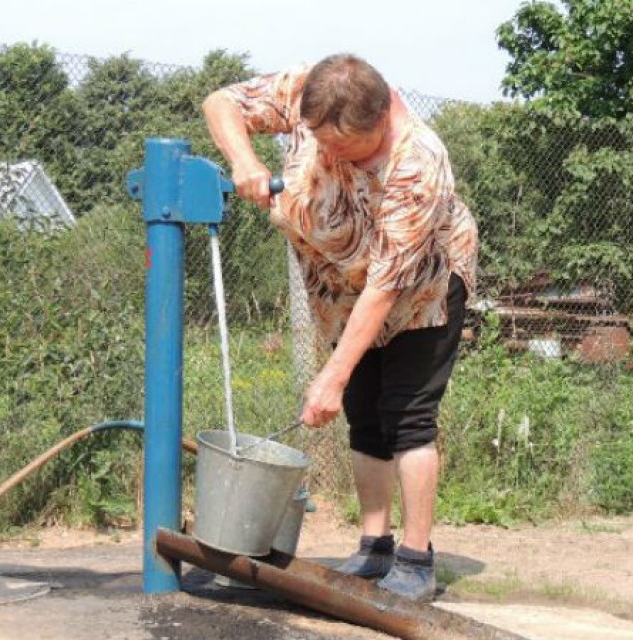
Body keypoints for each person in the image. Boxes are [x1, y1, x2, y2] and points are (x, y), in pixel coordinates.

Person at [202, 53, 477, 602]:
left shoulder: (418, 162)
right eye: (319, 141)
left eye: (343, 147)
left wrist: (331, 373)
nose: (328, 155)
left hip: (420, 287)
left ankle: (417, 561)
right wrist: (244, 159)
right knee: (364, 415)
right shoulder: (317, 89)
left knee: (407, 415)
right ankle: (375, 548)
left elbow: (386, 282)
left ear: (382, 117)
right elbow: (221, 102)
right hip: (345, 286)